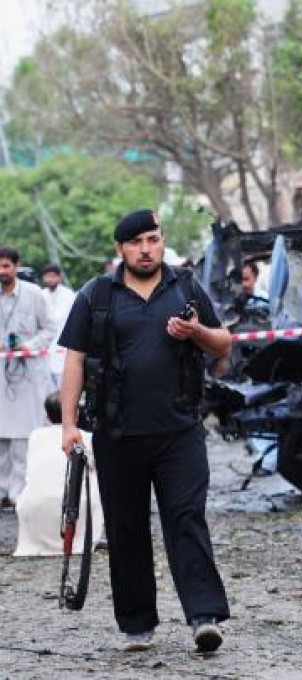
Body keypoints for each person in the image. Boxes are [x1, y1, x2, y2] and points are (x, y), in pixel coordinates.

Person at [58, 209, 232, 653]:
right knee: (126, 527)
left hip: (180, 430)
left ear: (162, 241)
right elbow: (74, 359)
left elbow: (223, 343)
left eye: (152, 240)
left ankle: (204, 616)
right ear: (121, 249)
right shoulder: (96, 295)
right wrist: (69, 425)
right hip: (117, 433)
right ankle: (137, 623)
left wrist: (195, 331)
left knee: (187, 518)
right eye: (136, 242)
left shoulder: (186, 286)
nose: (146, 249)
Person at [14, 392, 104, 557]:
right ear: (76, 414)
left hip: (35, 509)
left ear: (47, 416)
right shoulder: (87, 437)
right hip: (77, 509)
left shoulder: (35, 436)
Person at [0, 246, 55, 508]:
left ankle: (19, 494)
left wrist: (29, 346)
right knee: (1, 438)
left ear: (16, 266)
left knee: (24, 437)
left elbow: (50, 328)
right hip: (1, 376)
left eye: (6, 266)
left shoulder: (33, 295)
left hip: (28, 375)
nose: (2, 271)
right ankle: (2, 492)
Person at [40, 264, 76, 388]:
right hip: (45, 345)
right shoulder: (41, 294)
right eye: (47, 276)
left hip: (63, 343)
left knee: (63, 385)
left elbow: (59, 318)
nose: (50, 279)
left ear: (59, 278)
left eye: (53, 276)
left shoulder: (68, 295)